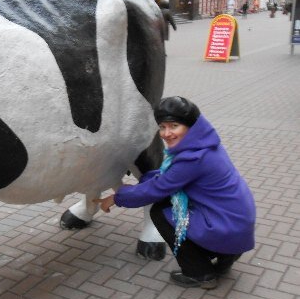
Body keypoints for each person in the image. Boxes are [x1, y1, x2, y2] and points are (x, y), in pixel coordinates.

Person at [95, 97, 256, 289]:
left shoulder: (192, 158)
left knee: (160, 211)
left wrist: (116, 197)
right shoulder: (205, 145)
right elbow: (168, 176)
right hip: (237, 223)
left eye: (174, 126)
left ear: (191, 126)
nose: (166, 133)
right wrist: (146, 178)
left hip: (225, 226)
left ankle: (200, 273)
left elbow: (158, 189)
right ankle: (224, 259)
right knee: (172, 204)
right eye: (162, 127)